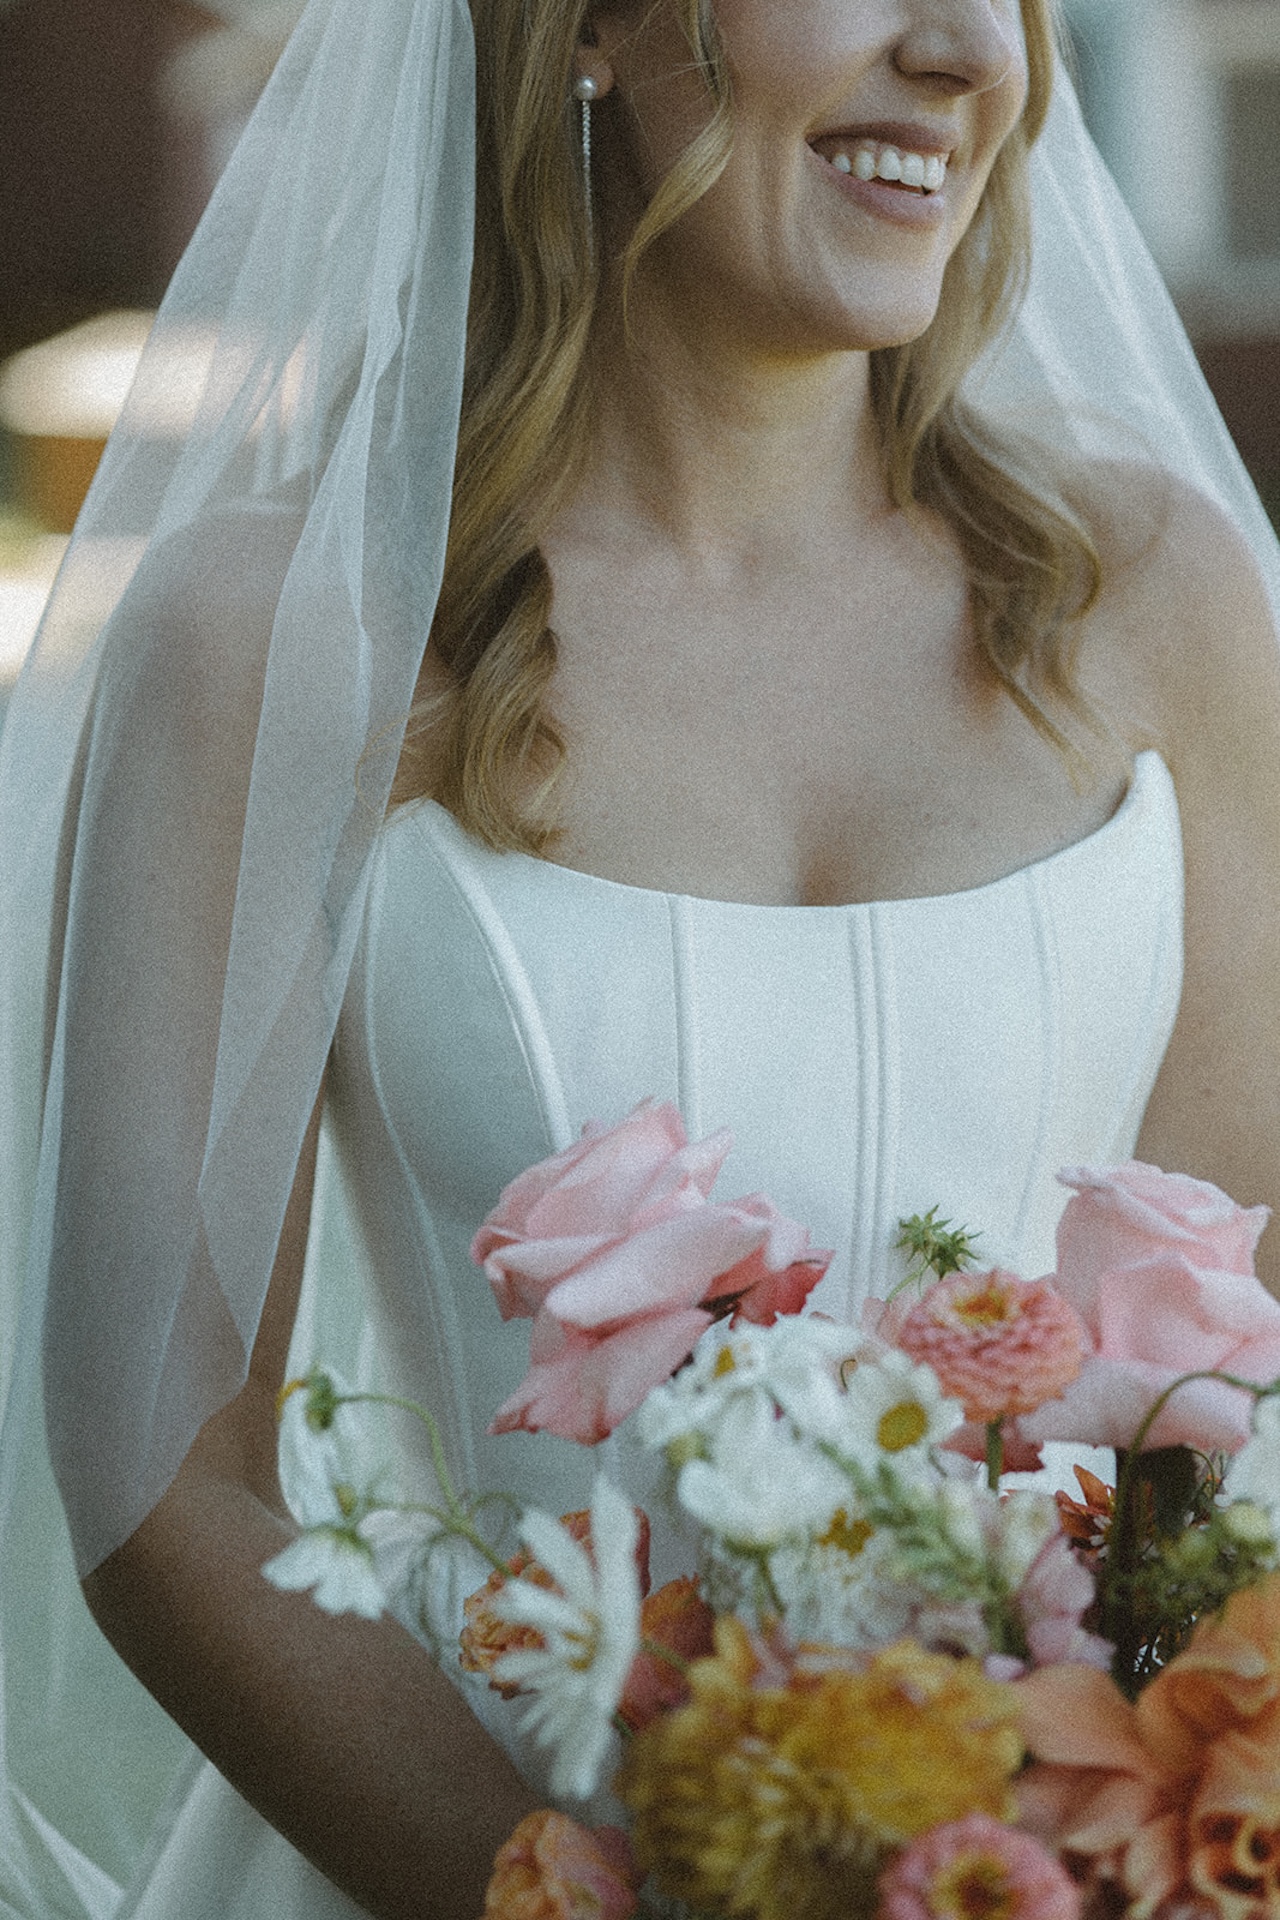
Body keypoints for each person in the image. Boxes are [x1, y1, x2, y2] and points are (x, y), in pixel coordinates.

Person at [1, 0, 1279, 1914]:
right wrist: (568, 1897)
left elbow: (1233, 1395)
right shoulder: (290, 640)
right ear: (588, 24)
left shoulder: (1148, 602)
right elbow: (163, 1488)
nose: (966, 52)